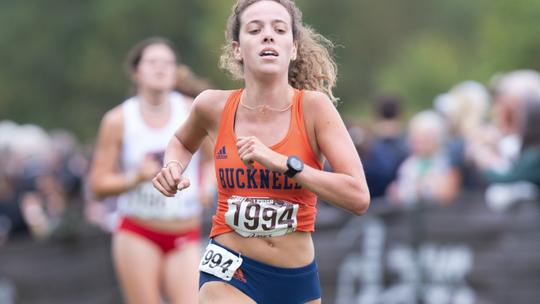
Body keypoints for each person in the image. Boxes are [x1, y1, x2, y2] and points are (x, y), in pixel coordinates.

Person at [152, 1, 370, 303]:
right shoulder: (211, 106)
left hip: (296, 279)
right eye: (255, 30)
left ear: (292, 48)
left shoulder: (314, 109)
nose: (268, 36)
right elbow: (180, 143)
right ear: (237, 49)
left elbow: (358, 197)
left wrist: (287, 165)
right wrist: (173, 167)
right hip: (229, 269)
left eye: (279, 30)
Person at [88, 37, 212, 304]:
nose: (161, 68)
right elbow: (97, 184)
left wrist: (207, 187)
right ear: (136, 72)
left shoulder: (194, 109)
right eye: (153, 62)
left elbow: (213, 160)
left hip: (185, 231)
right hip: (138, 231)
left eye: (168, 63)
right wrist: (135, 178)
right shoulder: (118, 119)